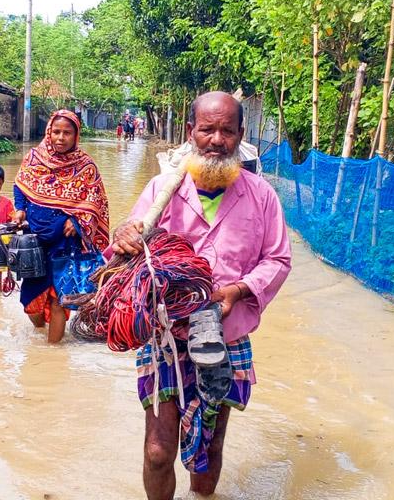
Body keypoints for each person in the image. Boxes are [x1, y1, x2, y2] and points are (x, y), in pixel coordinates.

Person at [111, 91, 292, 500]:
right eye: (207, 129)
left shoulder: (261, 196)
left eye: (226, 131)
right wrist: (124, 236)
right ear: (190, 132)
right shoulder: (162, 189)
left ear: (240, 136)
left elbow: (278, 259)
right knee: (158, 452)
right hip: (164, 336)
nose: (215, 139)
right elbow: (124, 249)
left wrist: (237, 289)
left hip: (225, 337)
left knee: (208, 452)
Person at [12, 109, 110, 343]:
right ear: (49, 132)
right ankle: (40, 333)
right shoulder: (34, 158)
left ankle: (53, 355)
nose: (60, 137)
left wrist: (77, 221)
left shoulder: (86, 166)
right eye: (56, 131)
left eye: (67, 132)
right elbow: (20, 185)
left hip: (66, 244)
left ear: (76, 136)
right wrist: (20, 208)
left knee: (59, 300)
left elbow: (95, 200)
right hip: (36, 241)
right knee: (31, 302)